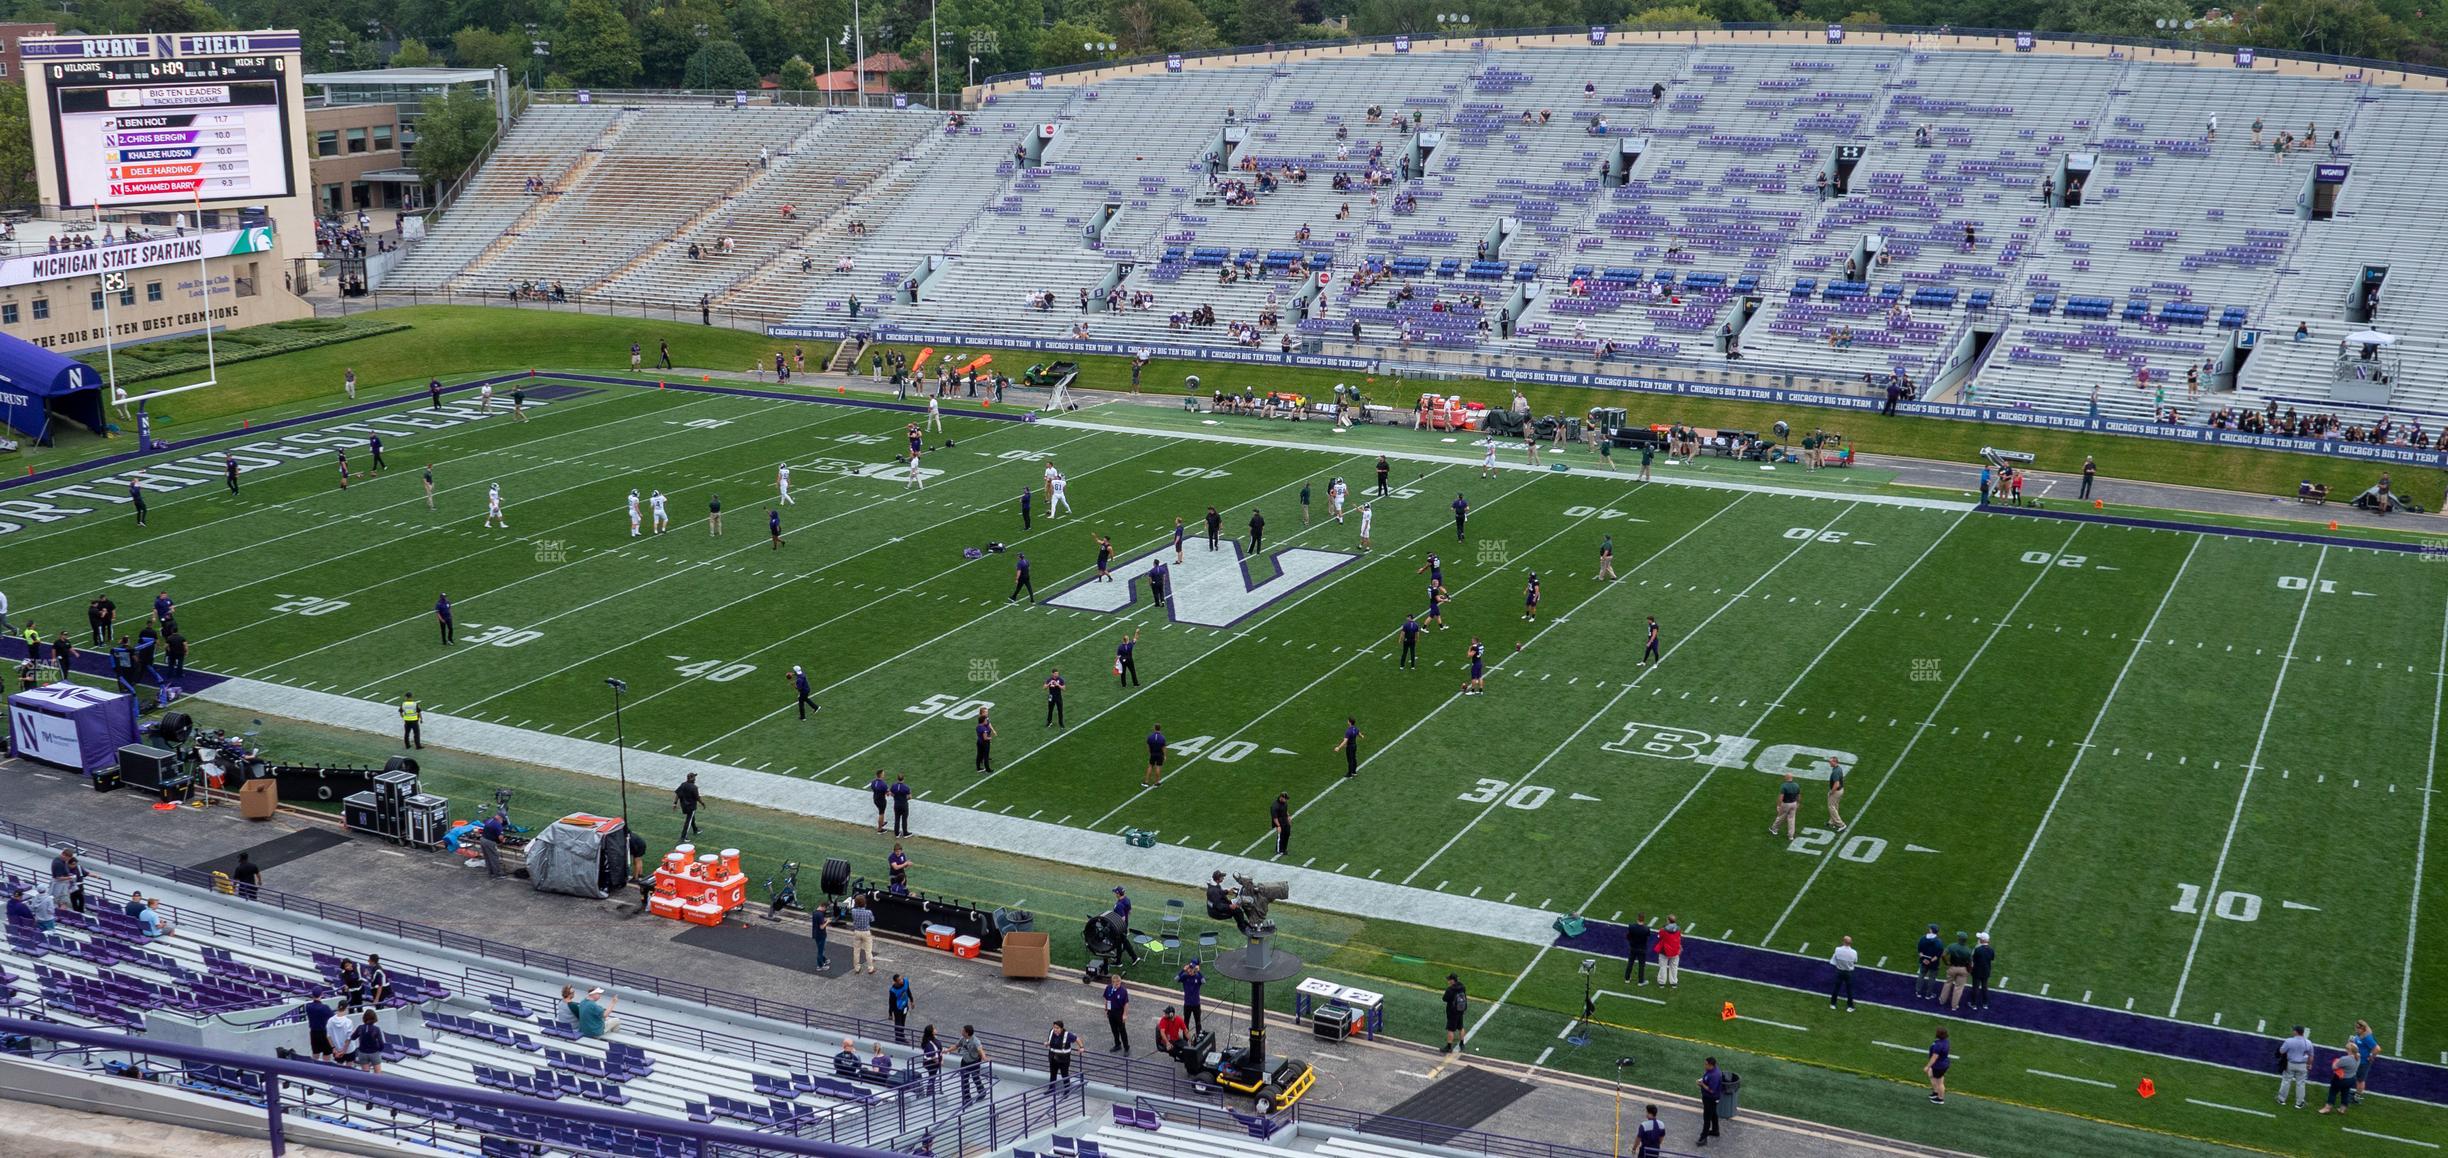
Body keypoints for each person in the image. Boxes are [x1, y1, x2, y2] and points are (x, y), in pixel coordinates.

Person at [2276, 1025, 2315, 1108]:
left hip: (2290, 1064)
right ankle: (2299, 1103)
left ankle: (2281, 1099)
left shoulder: (2289, 1041)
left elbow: (2281, 1051)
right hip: (2302, 1066)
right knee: (2300, 1084)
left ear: (2296, 1032)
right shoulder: (2308, 1042)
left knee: (2286, 1081)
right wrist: (2309, 1064)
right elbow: (2311, 1056)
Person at [955, 1026, 988, 1102]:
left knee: (975, 1077)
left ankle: (982, 1092)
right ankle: (967, 1097)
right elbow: (956, 1046)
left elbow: (980, 1050)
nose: (961, 1032)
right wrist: (948, 1050)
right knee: (964, 1080)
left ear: (967, 1033)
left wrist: (984, 1057)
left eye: (963, 1031)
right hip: (965, 1061)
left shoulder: (975, 1041)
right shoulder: (962, 1039)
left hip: (974, 1062)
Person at [1942, 931, 1974, 1011]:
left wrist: (1946, 963)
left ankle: (1942, 1000)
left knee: (1948, 983)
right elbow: (1970, 963)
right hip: (1963, 969)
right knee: (1959, 988)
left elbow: (1943, 955)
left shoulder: (1952, 946)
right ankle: (1954, 1006)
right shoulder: (1968, 950)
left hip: (1952, 967)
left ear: (1959, 939)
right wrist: (1969, 971)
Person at [2320, 1043, 2357, 1113]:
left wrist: (2335, 1061)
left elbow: (2334, 1067)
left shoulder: (2345, 1059)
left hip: (2341, 1079)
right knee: (2345, 1092)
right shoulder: (2358, 1057)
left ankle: (2327, 1108)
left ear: (2349, 1050)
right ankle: (2342, 1109)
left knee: (2333, 1092)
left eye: (2346, 1049)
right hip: (2351, 1079)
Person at [1696, 1058, 1725, 1144]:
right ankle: (1715, 1131)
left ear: (1711, 1065)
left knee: (1707, 1118)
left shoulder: (1714, 1075)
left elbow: (1711, 1090)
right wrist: (1703, 1081)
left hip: (1710, 1099)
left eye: (1706, 1064)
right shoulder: (1712, 1071)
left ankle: (1703, 1138)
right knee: (1713, 1114)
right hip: (1711, 1098)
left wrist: (1701, 1084)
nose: (1704, 1065)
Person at [2351, 1019, 2380, 1103]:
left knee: (2360, 1080)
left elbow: (2377, 1048)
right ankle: (2357, 1092)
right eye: (2355, 1026)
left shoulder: (2367, 1038)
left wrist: (2371, 1056)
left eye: (2357, 1027)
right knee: (2358, 1078)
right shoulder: (2360, 1034)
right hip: (2359, 1060)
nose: (2356, 1029)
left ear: (2363, 1029)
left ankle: (2357, 1097)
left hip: (2363, 1062)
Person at [304, 992, 338, 1061]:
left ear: (312, 995)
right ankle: (325, 1069)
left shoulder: (308, 1006)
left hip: (313, 1033)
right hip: (324, 1033)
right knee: (327, 1053)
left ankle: (314, 1069)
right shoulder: (325, 1007)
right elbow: (333, 1017)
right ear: (321, 995)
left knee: (315, 1053)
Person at [1102, 975, 1131, 1053]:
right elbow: (1106, 998)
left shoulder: (1123, 991)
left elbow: (1126, 1004)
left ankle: (1126, 1047)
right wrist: (1106, 1009)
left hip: (1119, 1013)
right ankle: (1117, 1044)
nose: (1118, 985)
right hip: (1111, 1012)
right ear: (1113, 983)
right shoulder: (1108, 988)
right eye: (1117, 984)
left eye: (1119, 983)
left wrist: (1125, 1014)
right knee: (1114, 1030)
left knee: (1122, 1031)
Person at [1829, 935, 1859, 1010]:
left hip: (1839, 971)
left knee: (1836, 988)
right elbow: (1855, 961)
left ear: (1843, 941)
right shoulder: (1854, 952)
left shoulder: (1837, 949)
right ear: (1850, 943)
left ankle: (1833, 1004)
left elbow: (1833, 961)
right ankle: (1850, 1006)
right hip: (1848, 973)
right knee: (1849, 990)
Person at [1046, 1019, 1080, 1084]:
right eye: (1054, 1027)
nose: (1055, 1029)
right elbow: (1050, 1041)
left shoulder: (1067, 1035)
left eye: (1057, 1028)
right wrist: (1047, 1043)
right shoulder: (1051, 1032)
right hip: (1053, 1057)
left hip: (1063, 1059)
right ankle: (1051, 1089)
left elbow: (1077, 1039)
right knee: (1053, 1074)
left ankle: (1066, 1090)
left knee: (1064, 1075)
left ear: (1061, 1028)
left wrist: (1081, 1047)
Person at [1916, 923, 1944, 1000]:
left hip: (1923, 961)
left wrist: (1924, 959)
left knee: (1921, 975)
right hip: (1933, 964)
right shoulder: (1939, 942)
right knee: (1932, 978)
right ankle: (1928, 995)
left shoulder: (1922, 938)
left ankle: (1918, 991)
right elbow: (1938, 955)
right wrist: (1930, 961)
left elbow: (1920, 951)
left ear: (1931, 930)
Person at [851, 893, 877, 974]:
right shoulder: (868, 912)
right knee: (868, 951)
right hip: (866, 932)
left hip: (857, 932)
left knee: (856, 951)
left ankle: (857, 968)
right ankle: (870, 968)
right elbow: (872, 920)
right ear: (864, 903)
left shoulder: (853, 911)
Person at [1177, 961, 1205, 1033]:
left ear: (1194, 970)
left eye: (1191, 968)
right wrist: (1183, 970)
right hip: (1187, 1004)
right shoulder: (1185, 977)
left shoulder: (1198, 977)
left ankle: (1198, 1037)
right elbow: (1176, 978)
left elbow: (1203, 981)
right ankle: (1185, 1039)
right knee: (1186, 1022)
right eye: (1189, 968)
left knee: (1198, 1022)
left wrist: (1199, 972)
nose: (1189, 970)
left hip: (1196, 1004)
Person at [1969, 932, 1995, 1010]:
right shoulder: (1991, 950)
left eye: (1980, 938)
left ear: (1982, 940)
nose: (1979, 939)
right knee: (1985, 987)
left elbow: (1974, 959)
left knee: (1975, 988)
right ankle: (1985, 1004)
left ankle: (1973, 1004)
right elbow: (1992, 958)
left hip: (1977, 971)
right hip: (1986, 971)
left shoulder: (1978, 950)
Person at [674, 772, 704, 840]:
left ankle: (695, 830)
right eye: (694, 777)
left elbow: (677, 794)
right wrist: (702, 803)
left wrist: (675, 803)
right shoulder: (694, 787)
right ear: (691, 778)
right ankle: (683, 836)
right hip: (691, 806)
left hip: (684, 805)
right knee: (688, 821)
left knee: (691, 818)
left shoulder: (683, 784)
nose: (695, 779)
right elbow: (697, 798)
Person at [1442, 974, 1467, 1052]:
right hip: (1460, 1010)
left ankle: (1449, 1047)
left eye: (1449, 980)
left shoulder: (1450, 989)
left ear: (1452, 980)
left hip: (1452, 1012)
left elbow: (1444, 999)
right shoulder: (1462, 987)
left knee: (1451, 1029)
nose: (1448, 981)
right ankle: (1462, 1044)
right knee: (1461, 1027)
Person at [1772, 772, 1802, 838]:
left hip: (1786, 804)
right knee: (1791, 819)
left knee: (1781, 817)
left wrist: (1778, 805)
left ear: (1786, 777)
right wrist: (1798, 803)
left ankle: (1774, 829)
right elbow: (1799, 795)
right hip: (1794, 803)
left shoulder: (1784, 786)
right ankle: (1791, 836)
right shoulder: (1796, 785)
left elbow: (1781, 797)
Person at [1657, 917, 1684, 988]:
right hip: (1675, 950)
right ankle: (1674, 982)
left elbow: (1659, 936)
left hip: (1664, 951)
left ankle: (1662, 982)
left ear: (1668, 921)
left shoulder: (1663, 930)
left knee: (1663, 966)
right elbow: (1679, 938)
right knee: (1674, 967)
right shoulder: (1678, 929)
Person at [886, 974, 913, 1043]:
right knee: (898, 1024)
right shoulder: (893, 991)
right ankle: (898, 1039)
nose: (901, 981)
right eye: (899, 980)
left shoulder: (906, 981)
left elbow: (908, 991)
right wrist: (890, 1014)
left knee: (903, 1023)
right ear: (895, 982)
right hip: (897, 1009)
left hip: (905, 1006)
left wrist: (912, 1001)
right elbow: (891, 1002)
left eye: (901, 979)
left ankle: (902, 1037)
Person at [1926, 1029, 1951, 1103]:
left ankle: (1940, 1098)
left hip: (1939, 1066)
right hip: (1943, 1064)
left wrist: (1927, 1066)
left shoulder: (1939, 1045)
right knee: (1931, 1074)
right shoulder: (1946, 1041)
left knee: (1939, 1082)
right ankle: (1936, 1092)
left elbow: (1934, 1057)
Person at [1825, 757, 1848, 831]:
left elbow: (1837, 784)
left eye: (1830, 762)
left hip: (1836, 791)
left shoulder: (1835, 772)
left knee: (1831, 807)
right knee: (1835, 806)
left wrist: (1831, 792)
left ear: (1835, 762)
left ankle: (1841, 824)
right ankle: (1832, 821)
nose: (1829, 763)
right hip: (1840, 790)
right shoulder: (1839, 768)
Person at [1270, 792, 1293, 856]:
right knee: (1280, 836)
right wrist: (1278, 826)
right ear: (1281, 797)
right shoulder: (1274, 806)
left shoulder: (1284, 803)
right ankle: (1279, 850)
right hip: (1279, 823)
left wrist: (1288, 816)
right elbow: (1275, 818)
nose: (1286, 800)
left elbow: (1285, 810)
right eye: (1285, 799)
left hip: (1285, 821)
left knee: (1287, 834)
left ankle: (1284, 849)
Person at [811, 904, 832, 970]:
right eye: (825, 909)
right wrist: (827, 922)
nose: (825, 911)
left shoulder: (815, 912)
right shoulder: (820, 914)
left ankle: (824, 960)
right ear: (823, 907)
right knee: (821, 951)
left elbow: (819, 921)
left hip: (815, 934)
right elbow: (822, 927)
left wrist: (824, 920)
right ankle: (820, 966)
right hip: (821, 935)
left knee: (821, 949)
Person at [975, 708, 996, 773]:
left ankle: (978, 768)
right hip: (984, 743)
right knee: (986, 756)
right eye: (985, 721)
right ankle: (988, 769)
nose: (987, 721)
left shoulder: (978, 726)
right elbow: (985, 738)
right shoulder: (984, 729)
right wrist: (990, 738)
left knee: (979, 755)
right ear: (983, 721)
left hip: (979, 741)